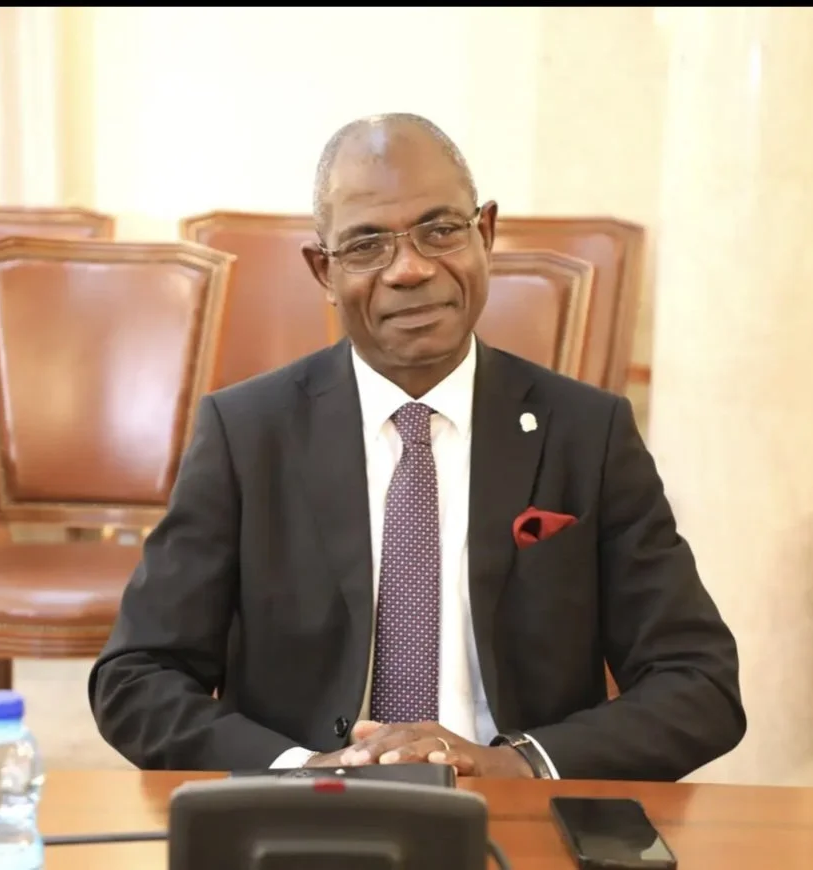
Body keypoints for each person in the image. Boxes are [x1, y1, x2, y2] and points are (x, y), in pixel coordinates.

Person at [89, 113, 746, 780]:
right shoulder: (247, 434)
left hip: (517, 809)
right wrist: (303, 769)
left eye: (440, 231)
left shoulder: (586, 433)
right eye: (367, 245)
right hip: (308, 811)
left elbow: (700, 684)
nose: (409, 269)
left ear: (485, 234)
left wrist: (521, 765)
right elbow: (137, 678)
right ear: (323, 271)